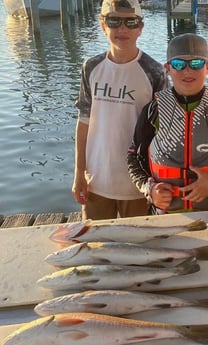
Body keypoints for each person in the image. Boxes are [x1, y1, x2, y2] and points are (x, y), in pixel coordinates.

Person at [127, 33, 208, 214]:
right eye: (179, 64)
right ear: (167, 68)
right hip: (164, 215)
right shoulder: (153, 109)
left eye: (196, 64)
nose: (187, 71)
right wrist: (150, 189)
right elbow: (133, 157)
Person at [72, 0, 168, 220]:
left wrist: (155, 181)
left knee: (136, 247)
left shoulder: (155, 72)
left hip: (137, 184)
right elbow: (83, 122)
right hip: (96, 181)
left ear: (140, 28)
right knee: (95, 245)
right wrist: (79, 173)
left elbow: (163, 132)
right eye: (114, 21)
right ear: (103, 25)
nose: (122, 29)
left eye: (130, 22)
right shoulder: (91, 67)